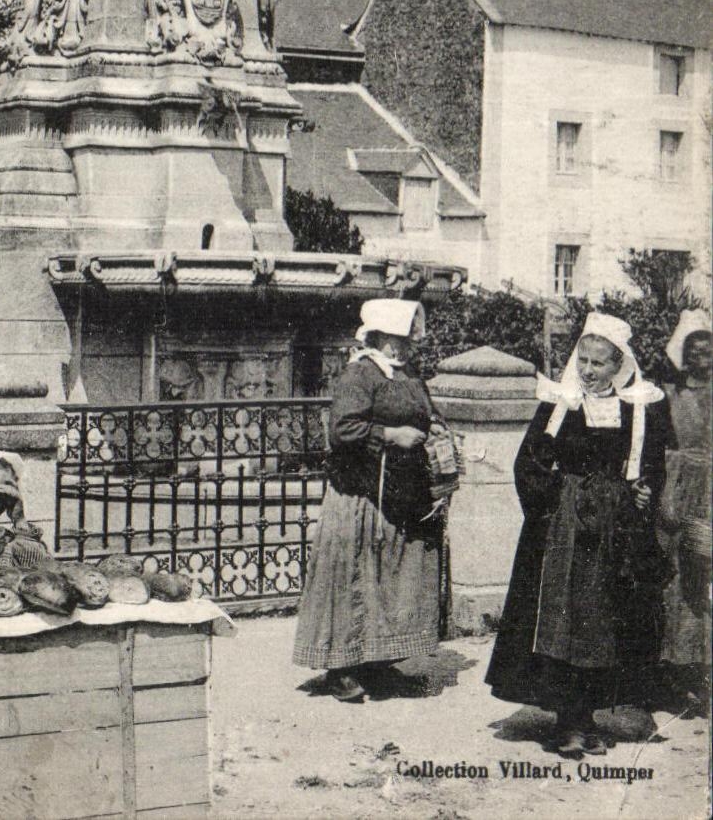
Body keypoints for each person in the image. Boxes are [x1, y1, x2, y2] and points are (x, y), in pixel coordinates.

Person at [486, 311, 670, 758]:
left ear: (619, 365)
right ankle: (566, 721)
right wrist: (553, 502)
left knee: (603, 618)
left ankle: (587, 716)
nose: (588, 370)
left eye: (599, 363)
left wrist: (644, 491)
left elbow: (650, 464)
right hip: (564, 530)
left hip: (614, 530)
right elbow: (528, 463)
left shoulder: (639, 408)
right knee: (562, 619)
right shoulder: (559, 403)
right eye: (582, 360)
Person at [293, 299, 451, 702]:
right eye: (402, 337)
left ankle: (381, 663)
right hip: (362, 494)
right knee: (356, 579)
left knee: (393, 579)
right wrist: (390, 435)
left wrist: (434, 431)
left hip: (402, 491)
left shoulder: (408, 374)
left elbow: (425, 412)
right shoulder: (358, 374)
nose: (409, 344)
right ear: (382, 337)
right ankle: (341, 667)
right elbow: (343, 430)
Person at [658, 311, 711, 712]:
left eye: (709, 350)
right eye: (695, 351)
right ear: (684, 355)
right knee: (679, 579)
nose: (703, 358)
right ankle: (678, 670)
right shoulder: (671, 393)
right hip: (681, 491)